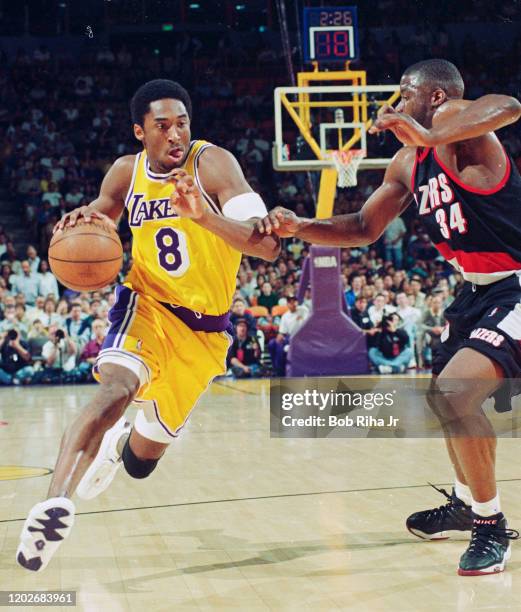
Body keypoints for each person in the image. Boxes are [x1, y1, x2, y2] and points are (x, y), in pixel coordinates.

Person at [258, 59, 521, 575]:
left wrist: (426, 129)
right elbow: (361, 226)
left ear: (438, 98)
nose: (396, 103)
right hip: (475, 292)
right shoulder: (408, 162)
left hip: (518, 284)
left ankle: (491, 526)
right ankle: (467, 504)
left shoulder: (467, 132)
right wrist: (300, 226)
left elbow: (508, 106)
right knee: (444, 400)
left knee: (455, 393)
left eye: (405, 94)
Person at [17, 79, 280, 572]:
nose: (175, 134)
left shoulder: (215, 164)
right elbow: (104, 214)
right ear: (141, 131)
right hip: (148, 306)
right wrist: (84, 217)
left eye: (182, 123)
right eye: (163, 126)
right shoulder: (125, 172)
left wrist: (203, 217)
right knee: (115, 388)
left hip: (206, 332)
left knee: (140, 463)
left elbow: (265, 245)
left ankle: (119, 446)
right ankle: (53, 507)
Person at [268, 295, 308, 376]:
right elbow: (282, 332)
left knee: (280, 349)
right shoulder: (285, 316)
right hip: (288, 337)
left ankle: (279, 373)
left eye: (295, 301)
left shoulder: (303, 310)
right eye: (291, 302)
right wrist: (278, 338)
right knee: (272, 344)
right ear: (287, 304)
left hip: (301, 337)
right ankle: (275, 369)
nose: (293, 304)